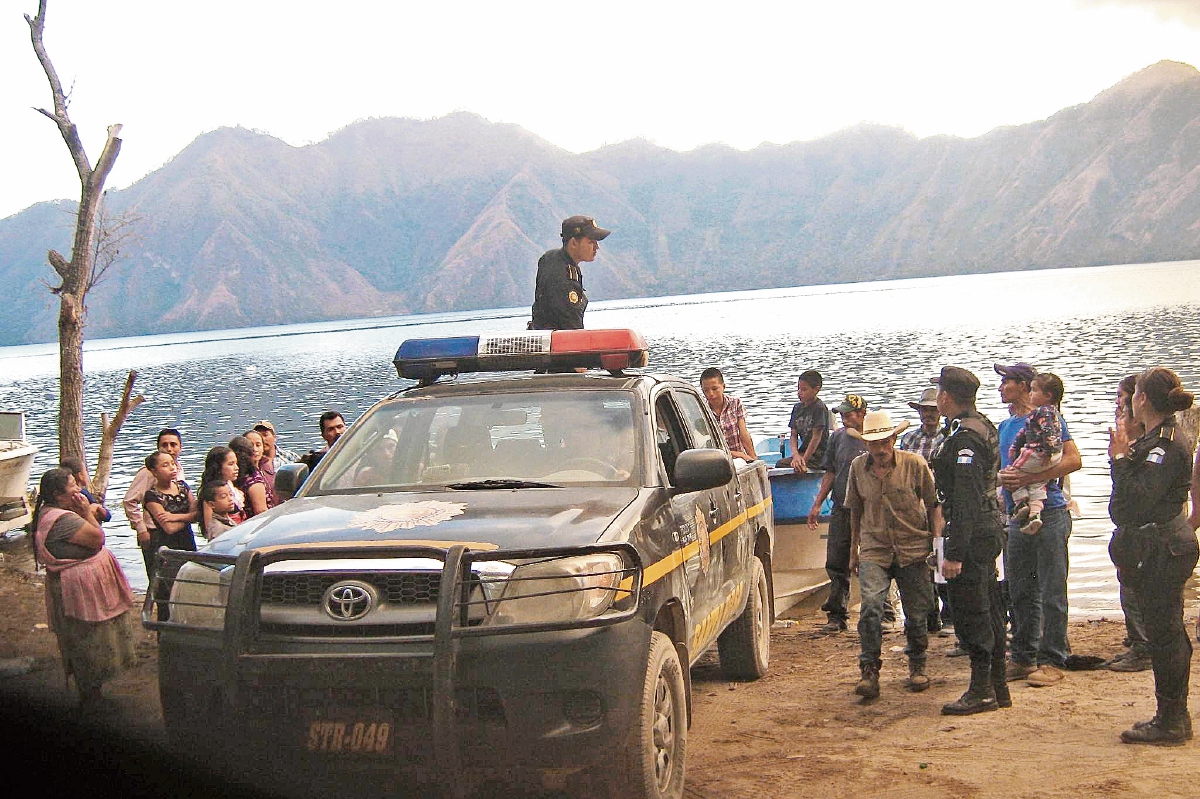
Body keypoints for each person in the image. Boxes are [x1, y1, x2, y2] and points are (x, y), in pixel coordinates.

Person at [1108, 366, 1198, 745]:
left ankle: (1172, 718)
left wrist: (1120, 458)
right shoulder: (1156, 439)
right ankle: (1172, 714)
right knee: (1166, 631)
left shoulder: (1165, 443)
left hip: (1163, 546)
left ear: (1142, 399)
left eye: (1133, 396)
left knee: (1165, 633)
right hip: (1159, 544)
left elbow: (1140, 498)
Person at [994, 362, 1081, 688]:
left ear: (1023, 385)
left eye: (1006, 382)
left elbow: (1073, 460)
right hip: (1017, 516)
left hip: (1051, 513)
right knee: (1020, 589)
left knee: (1052, 590)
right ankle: (1023, 657)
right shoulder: (1005, 426)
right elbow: (1004, 468)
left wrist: (1031, 478)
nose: (1001, 388)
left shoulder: (1049, 419)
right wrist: (1002, 483)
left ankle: (1053, 659)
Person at [929, 366, 1009, 715]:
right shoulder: (980, 425)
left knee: (973, 609)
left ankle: (982, 690)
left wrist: (954, 552)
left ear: (947, 397)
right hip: (986, 525)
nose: (937, 399)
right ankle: (998, 686)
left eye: (939, 393)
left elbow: (965, 498)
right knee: (989, 604)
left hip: (973, 531)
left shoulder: (966, 437)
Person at [845, 410, 942, 699]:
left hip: (913, 547)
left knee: (916, 612)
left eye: (885, 442)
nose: (880, 450)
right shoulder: (857, 468)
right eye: (874, 444)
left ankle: (917, 665)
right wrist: (853, 550)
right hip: (875, 547)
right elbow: (855, 510)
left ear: (894, 439)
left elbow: (934, 503)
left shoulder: (915, 464)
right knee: (871, 607)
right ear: (866, 445)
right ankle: (869, 670)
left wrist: (936, 543)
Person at [31, 467, 137, 709]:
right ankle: (91, 698)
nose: (79, 490)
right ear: (59, 495)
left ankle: (93, 694)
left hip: (78, 586)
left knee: (89, 638)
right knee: (87, 640)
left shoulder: (55, 512)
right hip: (77, 590)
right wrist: (86, 512)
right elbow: (96, 538)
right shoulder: (64, 519)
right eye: (73, 487)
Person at [807, 393, 869, 633]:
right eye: (841, 414)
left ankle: (882, 612)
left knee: (873, 559)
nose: (844, 418)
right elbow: (830, 472)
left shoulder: (874, 437)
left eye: (849, 414)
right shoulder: (837, 438)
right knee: (836, 560)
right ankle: (837, 615)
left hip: (869, 509)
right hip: (842, 506)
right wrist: (817, 503)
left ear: (862, 413)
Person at [899, 388, 953, 636]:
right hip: (913, 507)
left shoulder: (949, 438)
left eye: (933, 410)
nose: (929, 414)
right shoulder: (908, 439)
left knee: (942, 554)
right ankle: (929, 618)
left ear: (940, 412)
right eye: (925, 410)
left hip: (940, 504)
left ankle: (948, 616)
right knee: (920, 561)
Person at [1108, 374, 1152, 673]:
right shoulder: (1131, 438)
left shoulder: (1147, 444)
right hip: (1128, 527)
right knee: (1129, 585)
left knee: (1137, 586)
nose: (1117, 406)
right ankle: (1139, 641)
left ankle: (1143, 647)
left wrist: (1122, 455)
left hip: (1142, 530)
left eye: (1122, 399)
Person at [1008, 373, 1066, 535]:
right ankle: (1034, 513)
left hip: (1040, 453)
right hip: (1047, 455)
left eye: (1033, 390)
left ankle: (1021, 501)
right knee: (1037, 485)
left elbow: (1032, 433)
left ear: (1047, 396)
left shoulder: (1043, 412)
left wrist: (1047, 450)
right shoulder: (1050, 413)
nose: (1030, 393)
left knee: (1011, 472)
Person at [142, 451, 198, 621]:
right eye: (165, 465)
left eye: (172, 463)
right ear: (154, 471)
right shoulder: (151, 496)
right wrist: (188, 517)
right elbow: (168, 528)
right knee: (167, 592)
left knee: (189, 588)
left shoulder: (183, 487)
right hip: (167, 547)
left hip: (188, 543)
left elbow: (197, 514)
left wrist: (175, 516)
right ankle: (165, 631)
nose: (171, 468)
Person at [530, 215, 611, 330]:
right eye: (591, 242)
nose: (596, 247)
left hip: (541, 335)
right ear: (573, 243)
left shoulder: (549, 257)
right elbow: (571, 324)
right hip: (559, 342)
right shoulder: (565, 277)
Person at [122, 428, 185, 558]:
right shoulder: (148, 472)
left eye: (173, 445)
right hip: (155, 532)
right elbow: (130, 501)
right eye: (164, 445)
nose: (169, 449)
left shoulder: (178, 469)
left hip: (179, 529)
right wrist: (141, 529)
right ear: (158, 448)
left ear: (180, 448)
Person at [700, 367, 756, 461]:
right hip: (716, 460)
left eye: (714, 389)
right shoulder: (701, 410)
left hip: (740, 460)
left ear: (723, 387)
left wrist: (753, 459)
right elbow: (705, 446)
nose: (711, 394)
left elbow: (743, 434)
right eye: (706, 390)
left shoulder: (735, 403)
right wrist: (736, 454)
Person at [789, 370, 830, 472]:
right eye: (798, 389)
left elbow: (816, 438)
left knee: (796, 466)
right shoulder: (797, 408)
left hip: (819, 456)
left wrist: (804, 461)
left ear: (816, 390)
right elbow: (793, 435)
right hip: (803, 452)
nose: (799, 393)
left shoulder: (819, 408)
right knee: (780, 464)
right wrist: (796, 455)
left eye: (804, 390)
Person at [199, 445, 245, 536]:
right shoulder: (212, 493)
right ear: (218, 468)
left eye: (236, 463)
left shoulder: (230, 486)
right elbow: (210, 529)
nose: (236, 468)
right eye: (231, 464)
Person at [230, 435, 275, 517]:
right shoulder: (254, 480)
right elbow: (261, 512)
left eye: (258, 445)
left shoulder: (232, 477)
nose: (255, 449)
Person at [59, 456, 111, 525]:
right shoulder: (82, 494)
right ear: (81, 475)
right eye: (86, 471)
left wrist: (97, 506)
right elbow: (108, 517)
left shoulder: (62, 495)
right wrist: (96, 507)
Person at [252, 419, 298, 495]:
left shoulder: (290, 457)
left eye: (265, 435)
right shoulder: (253, 461)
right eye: (259, 436)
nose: (263, 439)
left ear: (274, 437)